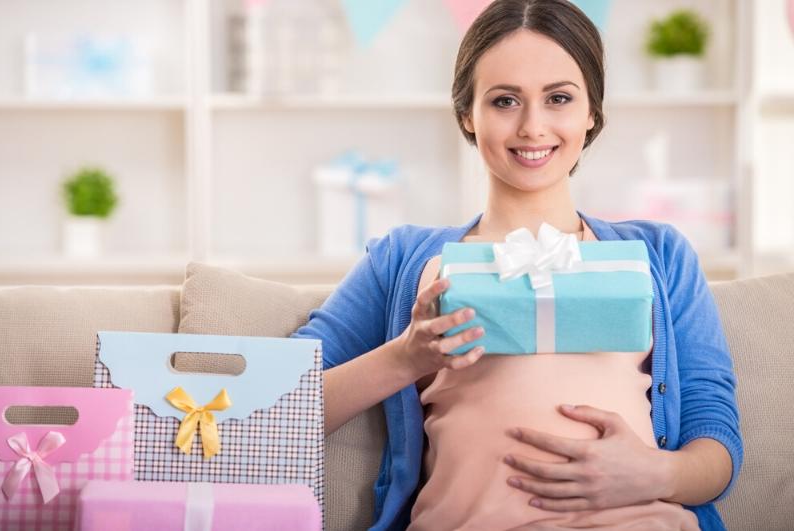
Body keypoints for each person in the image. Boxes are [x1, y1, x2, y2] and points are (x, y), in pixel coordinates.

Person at [292, 0, 742, 529]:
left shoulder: (660, 254)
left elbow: (716, 438)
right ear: (467, 113)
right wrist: (406, 359)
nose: (533, 126)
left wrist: (655, 475)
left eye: (559, 99)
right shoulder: (401, 258)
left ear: (591, 112)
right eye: (505, 101)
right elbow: (283, 406)